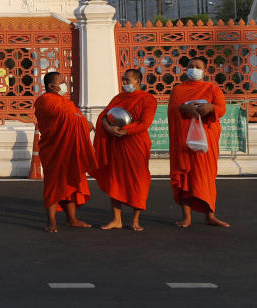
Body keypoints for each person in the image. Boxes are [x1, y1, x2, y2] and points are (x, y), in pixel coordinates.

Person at [93, 69, 157, 231]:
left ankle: (135, 220)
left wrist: (125, 131)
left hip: (136, 144)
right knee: (116, 179)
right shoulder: (118, 98)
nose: (125, 83)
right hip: (117, 144)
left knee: (139, 181)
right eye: (123, 80)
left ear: (138, 81)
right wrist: (109, 129)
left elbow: (145, 123)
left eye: (128, 80)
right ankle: (117, 219)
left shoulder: (147, 99)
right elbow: (104, 117)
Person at [168, 56, 229, 228]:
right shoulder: (178, 89)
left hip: (205, 141)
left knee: (206, 177)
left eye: (197, 66)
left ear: (205, 70)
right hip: (184, 140)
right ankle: (186, 217)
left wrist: (210, 108)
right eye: (191, 66)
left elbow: (222, 109)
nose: (193, 69)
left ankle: (210, 215)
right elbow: (172, 111)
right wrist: (183, 108)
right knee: (185, 177)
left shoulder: (212, 88)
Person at [33, 71, 96, 233]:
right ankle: (51, 222)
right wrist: (84, 123)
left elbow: (74, 116)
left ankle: (72, 219)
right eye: (61, 82)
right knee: (53, 184)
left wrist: (82, 122)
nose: (64, 85)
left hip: (69, 149)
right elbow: (68, 118)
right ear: (50, 86)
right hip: (54, 149)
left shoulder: (65, 102)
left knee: (71, 181)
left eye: (64, 81)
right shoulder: (45, 101)